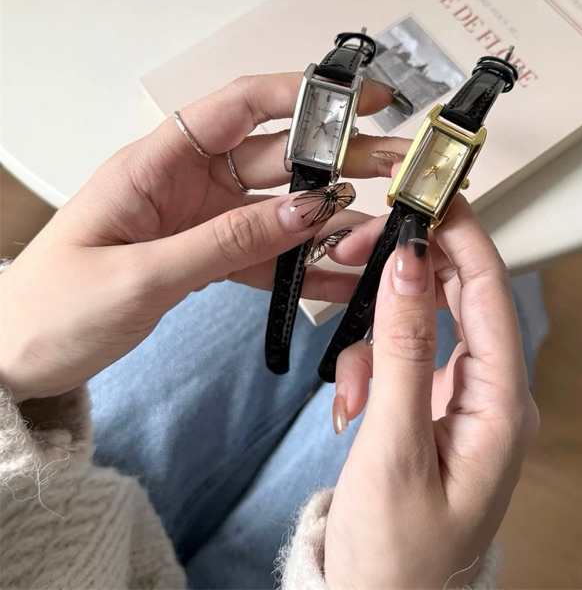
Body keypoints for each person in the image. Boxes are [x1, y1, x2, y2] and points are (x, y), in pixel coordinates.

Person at [0, 73, 545, 589]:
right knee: (466, 319)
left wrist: (9, 352)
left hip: (48, 498)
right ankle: (527, 282)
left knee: (299, 279)